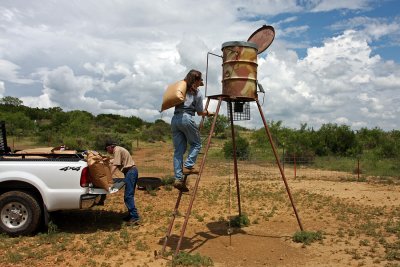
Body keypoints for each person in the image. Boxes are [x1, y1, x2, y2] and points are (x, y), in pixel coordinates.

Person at [171, 69, 214, 191]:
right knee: (196, 144)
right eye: (200, 79)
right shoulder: (197, 93)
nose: (202, 81)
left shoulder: (181, 89)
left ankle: (178, 178)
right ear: (196, 80)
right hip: (186, 118)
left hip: (175, 119)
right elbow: (200, 112)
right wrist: (208, 113)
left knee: (179, 150)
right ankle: (188, 166)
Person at [105, 141, 140, 225]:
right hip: (130, 172)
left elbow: (116, 165)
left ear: (110, 147)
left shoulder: (117, 150)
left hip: (130, 172)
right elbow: (114, 161)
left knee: (128, 195)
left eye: (107, 149)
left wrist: (108, 177)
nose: (107, 151)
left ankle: (134, 217)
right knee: (128, 195)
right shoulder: (118, 150)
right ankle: (131, 215)